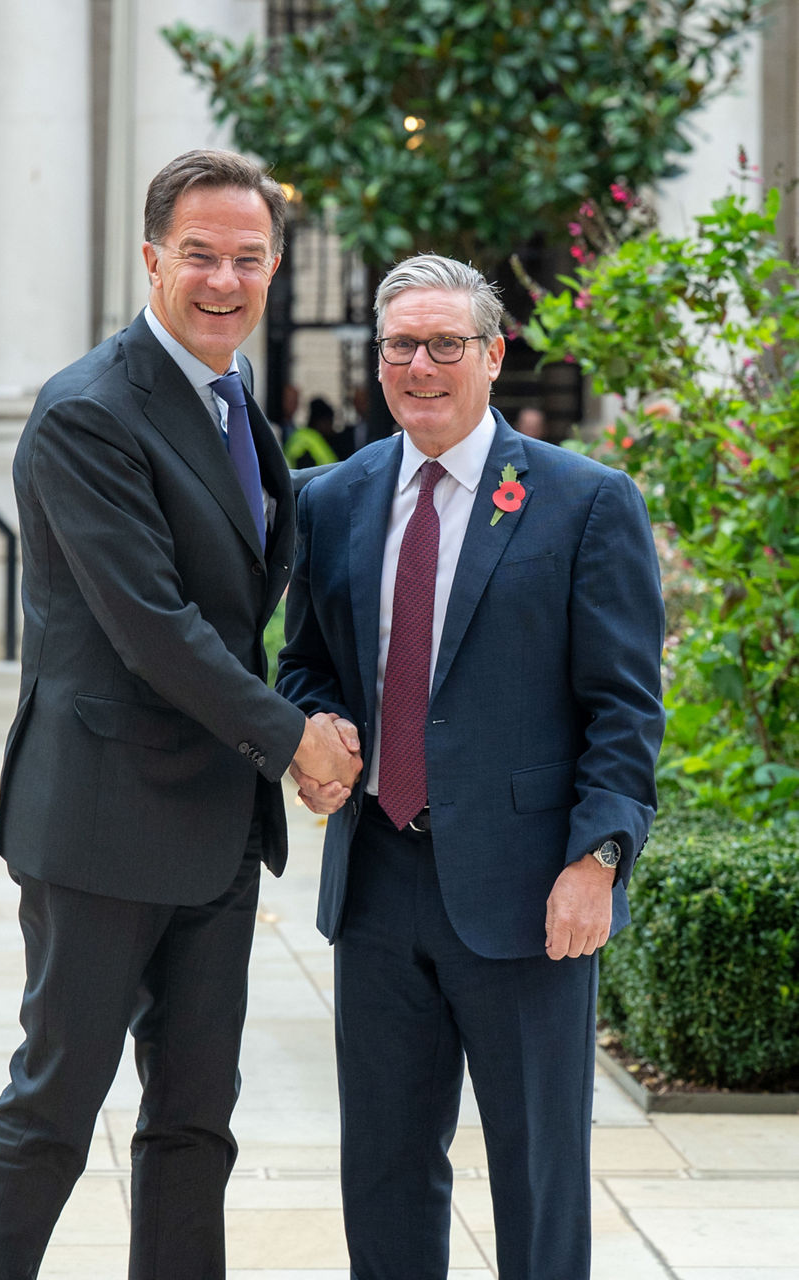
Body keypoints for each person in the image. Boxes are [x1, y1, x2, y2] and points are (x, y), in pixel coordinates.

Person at [0, 149, 360, 1280]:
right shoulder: (89, 410)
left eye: (246, 258)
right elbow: (153, 625)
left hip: (212, 828)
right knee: (52, 1110)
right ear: (151, 258)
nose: (222, 279)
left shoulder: (232, 401)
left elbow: (239, 611)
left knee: (194, 1122)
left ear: (273, 267)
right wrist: (294, 739)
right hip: (99, 825)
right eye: (198, 255)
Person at [277, 254, 665, 1280]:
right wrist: (313, 733)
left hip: (530, 893)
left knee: (538, 1180)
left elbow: (624, 708)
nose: (419, 364)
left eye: (445, 343)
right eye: (399, 344)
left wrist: (600, 857)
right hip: (376, 888)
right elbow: (306, 663)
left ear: (492, 355)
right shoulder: (333, 499)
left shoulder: (583, 502)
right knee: (386, 1174)